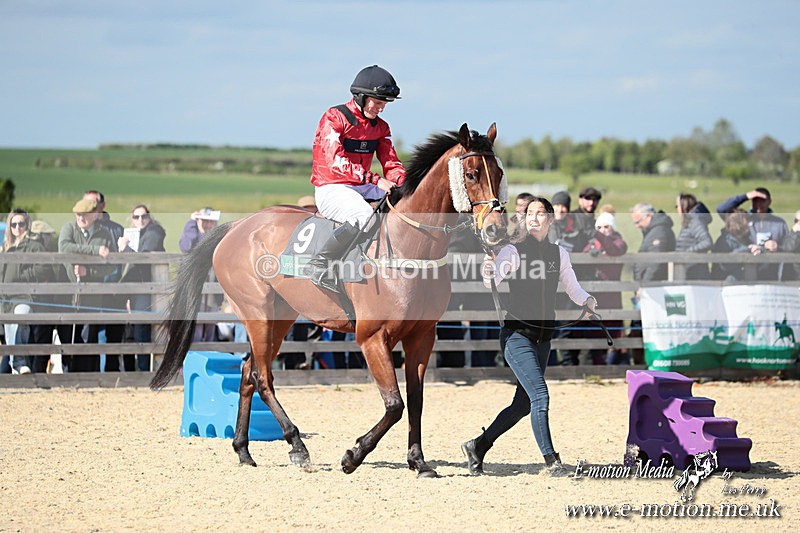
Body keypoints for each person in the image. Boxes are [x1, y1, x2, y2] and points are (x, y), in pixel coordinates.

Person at [461, 196, 596, 476]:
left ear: (550, 219)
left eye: (540, 213)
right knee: (540, 397)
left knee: (522, 405)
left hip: (542, 340)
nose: (534, 218)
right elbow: (492, 280)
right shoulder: (513, 251)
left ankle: (478, 445)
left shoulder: (559, 254)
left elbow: (573, 287)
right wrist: (488, 271)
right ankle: (552, 462)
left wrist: (587, 300)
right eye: (529, 213)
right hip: (516, 336)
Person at [307, 64, 407, 292]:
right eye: (378, 103)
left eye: (384, 104)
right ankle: (320, 264)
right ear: (362, 97)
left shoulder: (381, 127)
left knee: (402, 204)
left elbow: (391, 162)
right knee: (364, 216)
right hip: (331, 187)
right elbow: (336, 161)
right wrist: (376, 180)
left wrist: (405, 184)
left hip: (362, 186)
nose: (381, 109)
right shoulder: (334, 117)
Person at [58, 198, 116, 372]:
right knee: (69, 336)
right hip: (68, 296)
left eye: (85, 214)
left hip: (92, 296)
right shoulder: (69, 228)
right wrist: (94, 251)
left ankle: (88, 376)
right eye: (78, 215)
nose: (81, 218)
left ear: (95, 215)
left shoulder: (104, 234)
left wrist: (88, 271)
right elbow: (64, 247)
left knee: (89, 337)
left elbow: (111, 265)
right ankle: (68, 375)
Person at [1, 209, 54, 373]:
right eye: (14, 224)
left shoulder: (34, 246)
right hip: (5, 299)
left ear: (27, 225)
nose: (17, 228)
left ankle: (19, 361)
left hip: (24, 295)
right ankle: (16, 366)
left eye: (21, 224)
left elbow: (45, 268)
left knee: (21, 316)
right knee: (10, 333)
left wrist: (21, 275)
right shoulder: (5, 247)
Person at [81, 190, 127, 371]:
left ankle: (111, 375)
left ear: (102, 205)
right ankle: (90, 374)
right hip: (89, 289)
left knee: (114, 335)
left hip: (113, 289)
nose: (90, 207)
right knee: (89, 334)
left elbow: (121, 262)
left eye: (93, 203)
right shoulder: (82, 228)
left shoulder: (116, 229)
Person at [118, 204, 166, 371]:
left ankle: (143, 370)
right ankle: (131, 370)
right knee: (129, 331)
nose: (140, 220)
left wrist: (125, 248)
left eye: (144, 216)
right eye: (136, 217)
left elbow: (144, 258)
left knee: (141, 328)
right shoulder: (133, 234)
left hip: (146, 288)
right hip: (132, 287)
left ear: (149, 217)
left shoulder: (154, 232)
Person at [547, 190, 588, 365]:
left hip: (567, 283)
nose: (560, 209)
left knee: (566, 324)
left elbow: (582, 249)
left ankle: (567, 363)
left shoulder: (576, 229)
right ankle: (550, 362)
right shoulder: (545, 226)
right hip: (548, 283)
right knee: (548, 323)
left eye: (564, 206)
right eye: (557, 205)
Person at [583, 211, 628, 364]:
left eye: (606, 227)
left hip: (612, 298)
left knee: (613, 335)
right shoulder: (593, 242)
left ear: (613, 228)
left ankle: (612, 366)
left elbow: (616, 249)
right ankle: (599, 366)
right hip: (596, 297)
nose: (602, 230)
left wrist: (598, 237)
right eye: (599, 228)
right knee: (595, 333)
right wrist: (590, 252)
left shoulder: (618, 241)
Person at [716, 187, 789, 280]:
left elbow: (788, 246)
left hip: (772, 275)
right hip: (747, 275)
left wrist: (778, 247)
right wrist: (746, 196)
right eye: (755, 200)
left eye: (762, 201)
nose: (758, 204)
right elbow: (721, 209)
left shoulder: (780, 223)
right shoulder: (743, 219)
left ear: (769, 202)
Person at [179, 207, 222, 342]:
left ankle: (209, 352)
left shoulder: (218, 238)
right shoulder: (192, 235)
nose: (208, 225)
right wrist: (192, 223)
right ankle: (195, 351)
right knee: (195, 324)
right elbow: (187, 246)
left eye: (211, 222)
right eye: (204, 221)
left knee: (210, 324)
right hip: (195, 290)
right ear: (198, 220)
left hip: (213, 289)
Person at [675, 193, 712, 280]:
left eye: (677, 206)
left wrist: (687, 252)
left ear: (683, 206)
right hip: (690, 269)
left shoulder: (695, 221)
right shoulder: (689, 221)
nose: (677, 209)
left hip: (696, 272)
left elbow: (707, 242)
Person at [710, 209, 753, 281]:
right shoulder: (724, 241)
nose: (749, 224)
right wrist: (747, 249)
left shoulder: (746, 239)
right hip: (725, 283)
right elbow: (725, 265)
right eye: (747, 220)